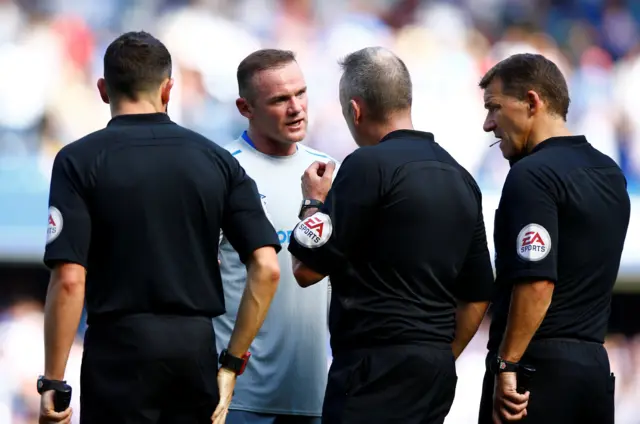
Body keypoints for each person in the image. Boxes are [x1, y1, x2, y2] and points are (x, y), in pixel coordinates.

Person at [38, 31, 281, 424]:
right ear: (168, 89)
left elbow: (69, 280)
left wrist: (53, 381)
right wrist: (231, 363)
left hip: (117, 350)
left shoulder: (77, 160)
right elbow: (267, 268)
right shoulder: (216, 160)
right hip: (194, 350)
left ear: (103, 89)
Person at [287, 46, 495, 424]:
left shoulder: (366, 165)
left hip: (372, 369)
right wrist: (441, 354)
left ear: (355, 109)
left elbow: (306, 269)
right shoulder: (461, 178)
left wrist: (313, 203)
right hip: (434, 373)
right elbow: (479, 295)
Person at [477, 53, 631, 424]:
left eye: (495, 108)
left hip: (535, 378)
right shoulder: (609, 174)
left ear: (532, 102)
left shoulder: (532, 175)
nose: (488, 124)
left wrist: (507, 362)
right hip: (593, 374)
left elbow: (538, 281)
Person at [214, 48, 339, 424]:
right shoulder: (221, 170)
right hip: (239, 398)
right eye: (280, 99)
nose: (296, 108)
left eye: (300, 93)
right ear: (245, 107)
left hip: (316, 394)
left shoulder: (328, 172)